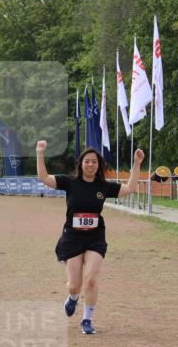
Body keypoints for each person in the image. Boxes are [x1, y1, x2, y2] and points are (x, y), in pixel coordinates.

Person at [36, 141, 143, 335]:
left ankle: (87, 319)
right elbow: (43, 177)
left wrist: (136, 164)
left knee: (91, 279)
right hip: (73, 238)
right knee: (74, 285)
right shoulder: (70, 182)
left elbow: (129, 189)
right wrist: (40, 153)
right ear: (81, 164)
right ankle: (73, 298)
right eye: (87, 161)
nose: (91, 165)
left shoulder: (103, 186)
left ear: (98, 165)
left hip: (95, 237)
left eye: (94, 162)